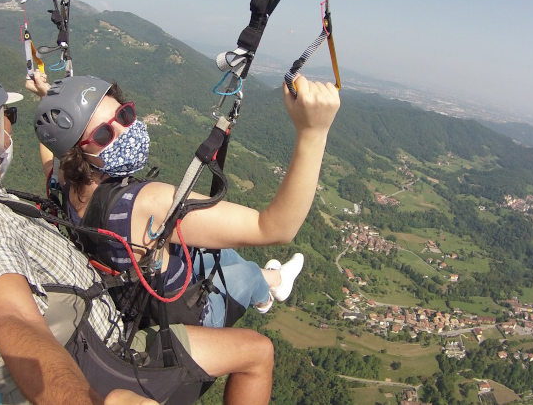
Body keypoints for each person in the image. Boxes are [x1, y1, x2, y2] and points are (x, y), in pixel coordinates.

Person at [0, 66, 274, 405]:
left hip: (106, 317)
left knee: (219, 259)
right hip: (119, 354)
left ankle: (269, 281)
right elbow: (13, 319)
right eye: (8, 116)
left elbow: (56, 164)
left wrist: (54, 103)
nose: (10, 125)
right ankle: (268, 283)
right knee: (258, 347)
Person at [31, 72, 339, 328]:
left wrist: (49, 99)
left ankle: (272, 279)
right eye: (103, 135)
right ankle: (270, 290)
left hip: (138, 286)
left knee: (222, 253)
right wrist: (313, 132)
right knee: (245, 274)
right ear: (79, 152)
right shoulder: (149, 203)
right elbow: (274, 228)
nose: (124, 131)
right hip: (186, 315)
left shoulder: (67, 182)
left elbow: (54, 151)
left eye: (124, 115)